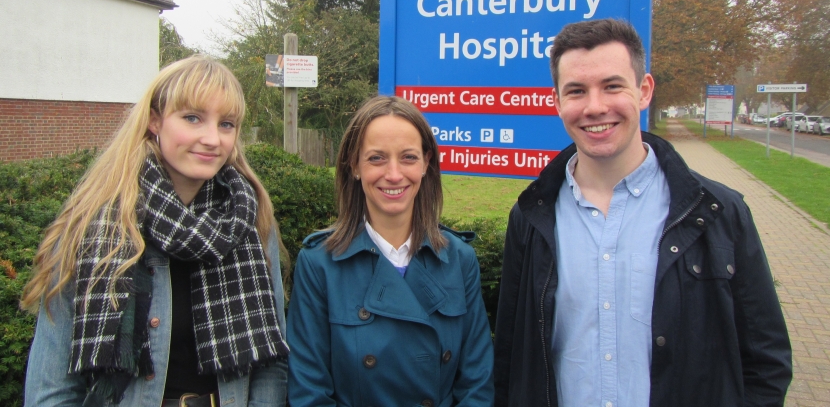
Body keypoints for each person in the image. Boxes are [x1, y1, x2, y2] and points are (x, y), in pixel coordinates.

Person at [493, 19, 792, 407]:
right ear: (557, 102)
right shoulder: (532, 216)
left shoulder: (718, 213)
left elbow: (765, 363)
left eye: (612, 86)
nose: (595, 106)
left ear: (644, 90)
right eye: (577, 91)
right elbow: (512, 357)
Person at [22, 56, 289, 407]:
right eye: (192, 117)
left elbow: (271, 362)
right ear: (154, 120)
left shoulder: (250, 221)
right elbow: (51, 389)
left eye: (226, 124)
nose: (212, 138)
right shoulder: (94, 226)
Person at [287, 95, 495, 406]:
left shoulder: (459, 259)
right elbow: (309, 391)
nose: (394, 174)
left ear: (426, 163)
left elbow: (476, 383)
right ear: (354, 165)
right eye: (376, 158)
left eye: (409, 157)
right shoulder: (319, 265)